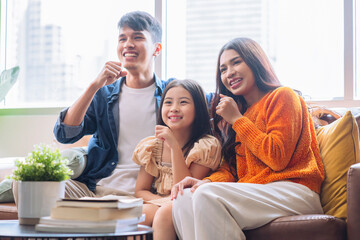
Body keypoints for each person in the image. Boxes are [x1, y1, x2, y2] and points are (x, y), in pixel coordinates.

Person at [171, 37, 325, 240]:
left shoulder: (283, 97)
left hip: (295, 190)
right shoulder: (240, 114)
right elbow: (232, 171)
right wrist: (205, 181)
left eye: (236, 62)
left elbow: (277, 158)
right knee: (184, 199)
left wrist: (237, 120)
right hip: (256, 191)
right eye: (223, 69)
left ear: (255, 62)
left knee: (207, 195)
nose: (229, 73)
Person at [53, 11, 174, 198]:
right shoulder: (104, 94)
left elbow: (209, 105)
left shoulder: (172, 93)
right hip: (97, 190)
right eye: (122, 39)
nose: (128, 44)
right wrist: (94, 86)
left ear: (156, 49)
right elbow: (65, 134)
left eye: (137, 37)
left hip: (148, 193)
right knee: (30, 185)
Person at [132, 79, 221, 240]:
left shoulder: (206, 146)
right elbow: (140, 191)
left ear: (198, 109)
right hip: (159, 203)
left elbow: (183, 190)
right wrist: (161, 201)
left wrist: (173, 145)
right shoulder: (152, 146)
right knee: (137, 218)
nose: (174, 108)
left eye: (183, 102)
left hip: (187, 205)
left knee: (160, 216)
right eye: (168, 102)